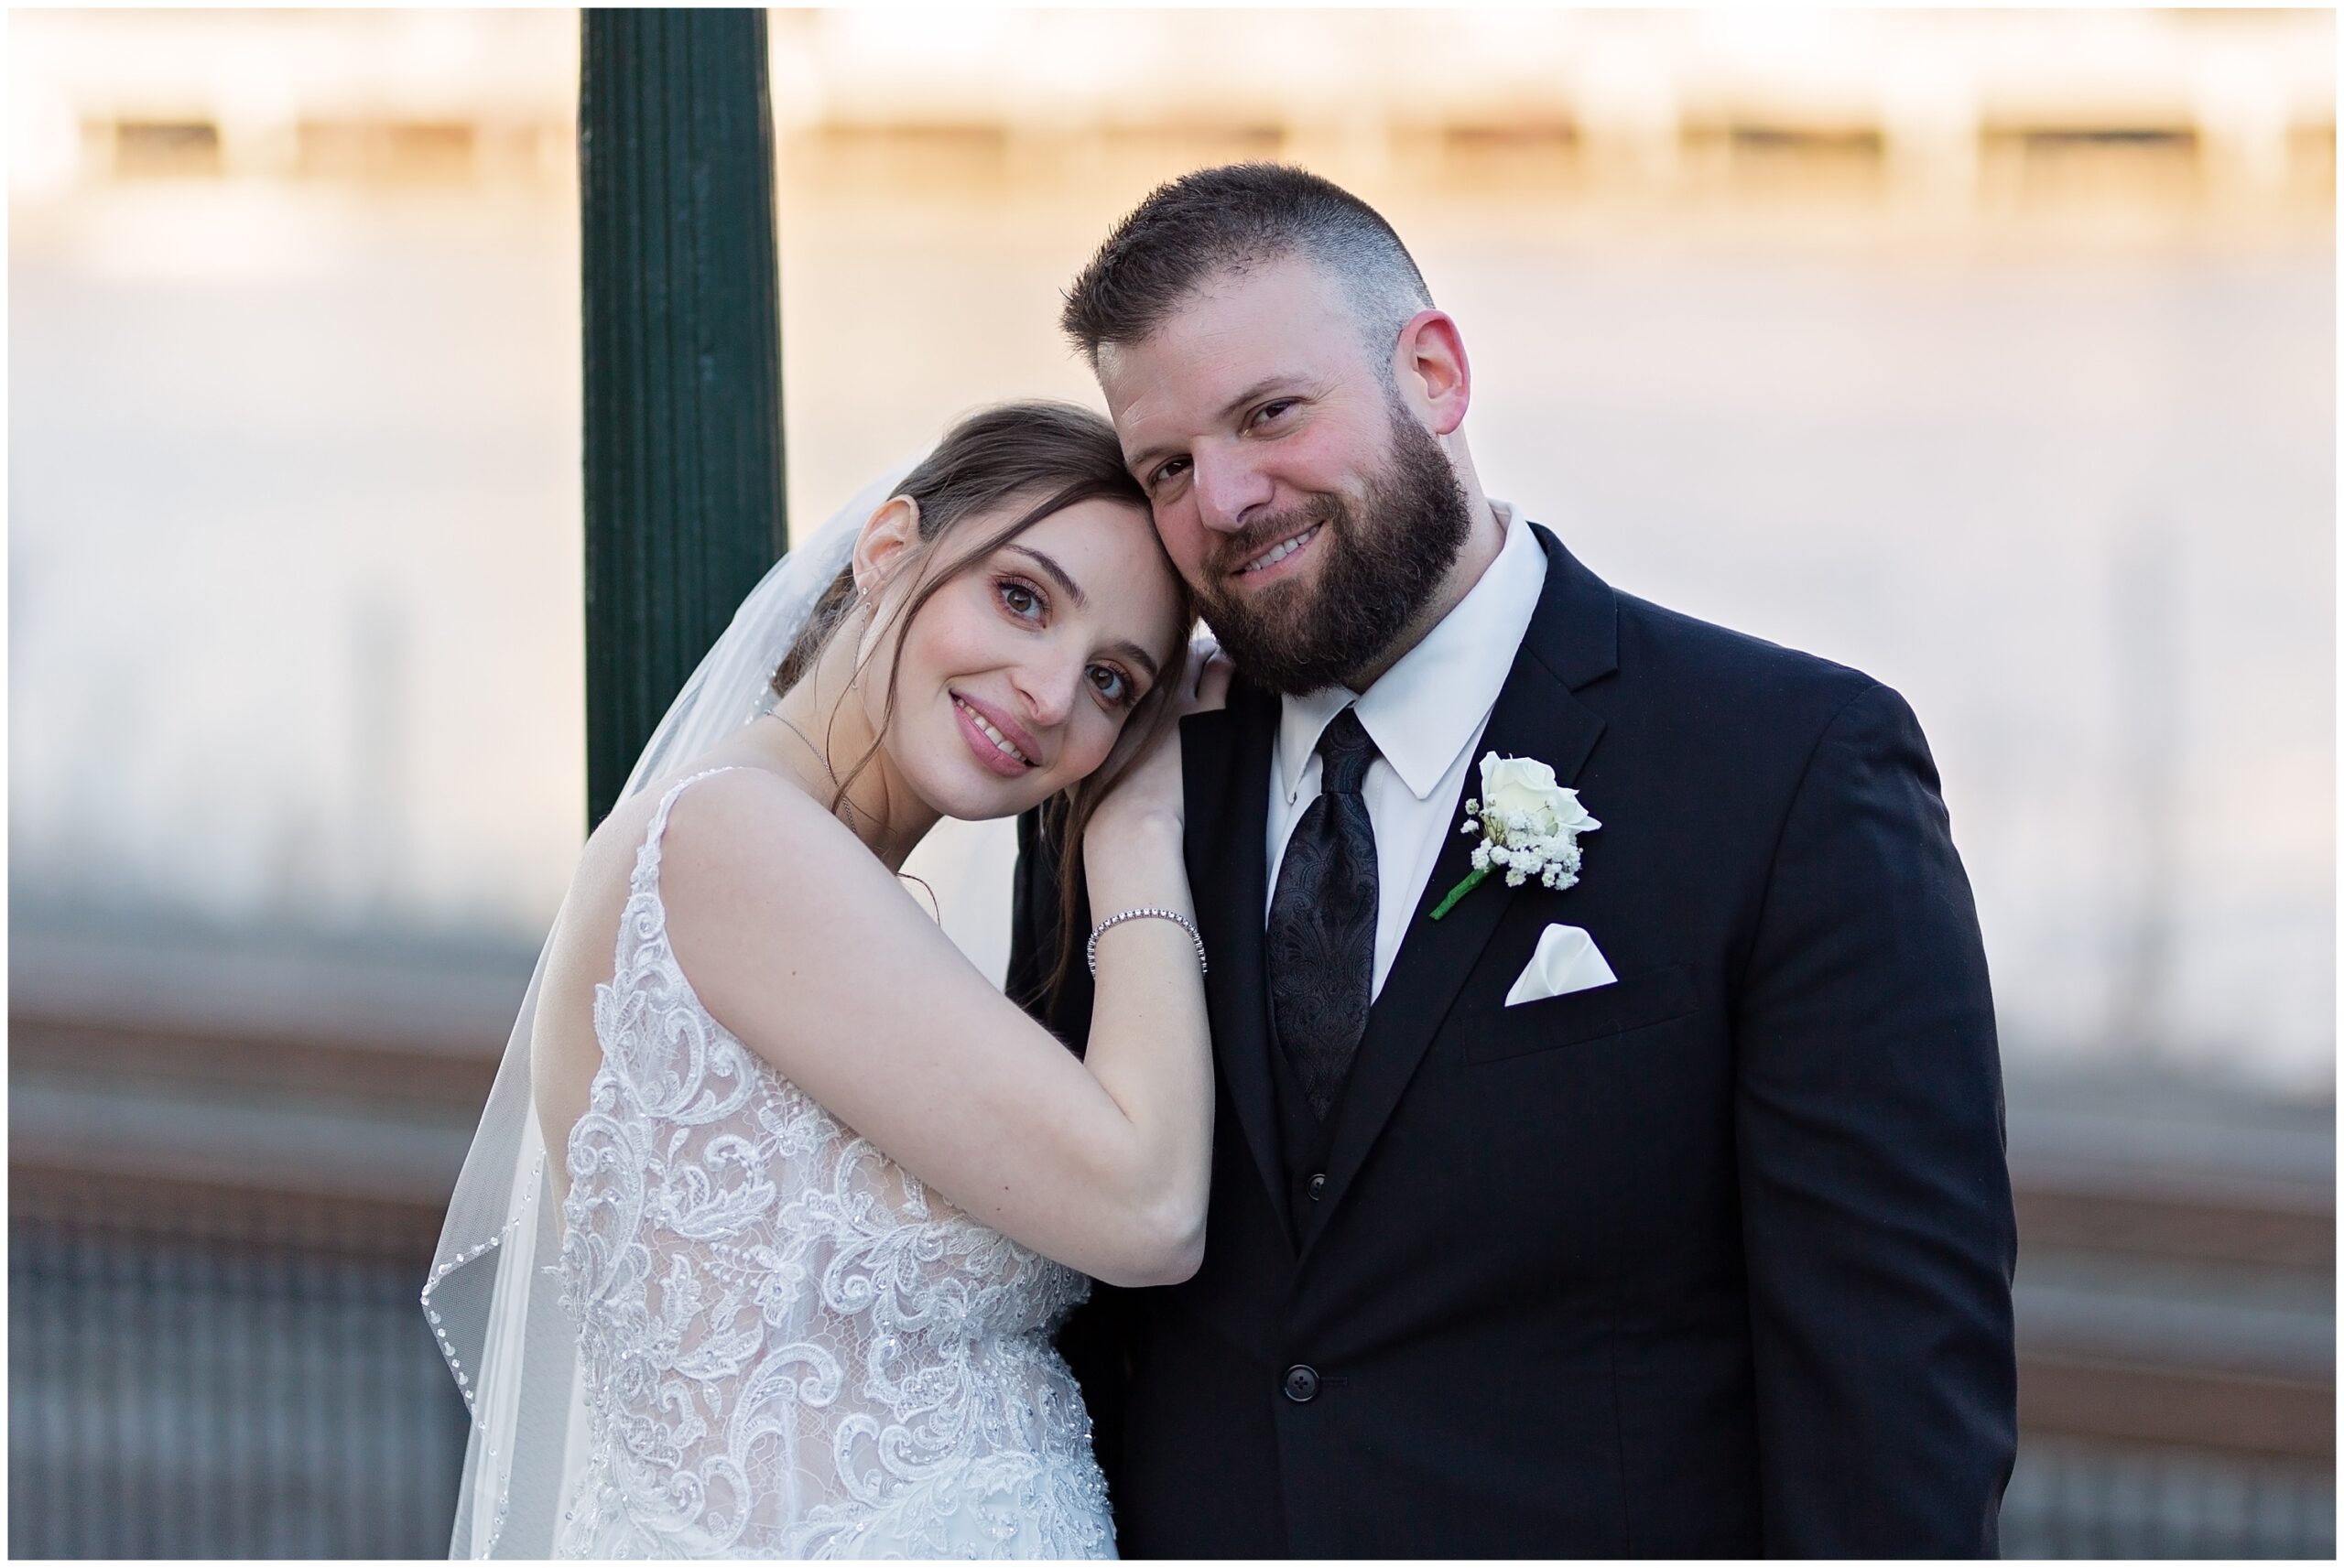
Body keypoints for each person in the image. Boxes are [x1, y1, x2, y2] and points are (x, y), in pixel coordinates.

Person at [1007, 164, 2018, 1557]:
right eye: (1167, 467)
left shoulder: (1786, 771)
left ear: (1432, 372)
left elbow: (1893, 1394)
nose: (1226, 500)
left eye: (1271, 415)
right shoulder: (1113, 777)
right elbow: (1066, 1306)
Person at [426, 402, 1225, 1558]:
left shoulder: (811, 879)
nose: (1052, 694)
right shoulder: (730, 842)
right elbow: (1149, 1208)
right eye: (1020, 597)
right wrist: (1139, 826)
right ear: (890, 549)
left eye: (1113, 682)